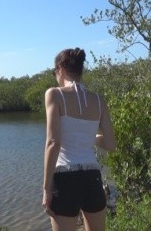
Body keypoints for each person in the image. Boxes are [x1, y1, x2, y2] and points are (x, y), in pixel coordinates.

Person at [42, 47, 117, 231]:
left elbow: (53, 143)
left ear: (60, 68)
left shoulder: (54, 94)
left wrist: (46, 189)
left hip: (65, 178)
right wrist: (87, 137)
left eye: (54, 72)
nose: (55, 76)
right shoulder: (99, 100)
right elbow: (111, 144)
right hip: (93, 178)